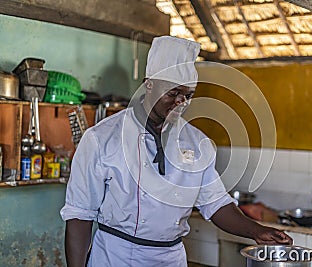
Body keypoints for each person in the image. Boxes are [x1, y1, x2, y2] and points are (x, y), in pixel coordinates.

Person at [60, 36, 292, 267]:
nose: (180, 102)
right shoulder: (102, 139)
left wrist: (255, 231)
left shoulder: (197, 142)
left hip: (171, 258)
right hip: (116, 256)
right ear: (148, 84)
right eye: (172, 93)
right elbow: (80, 214)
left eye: (188, 96)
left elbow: (215, 203)